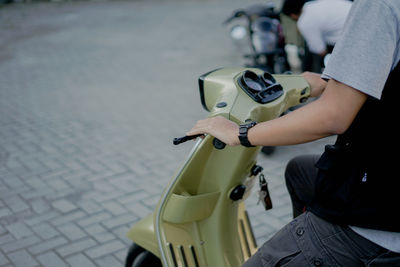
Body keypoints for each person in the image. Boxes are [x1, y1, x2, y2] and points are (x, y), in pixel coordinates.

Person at [187, 0, 400, 265]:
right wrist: (333, 80)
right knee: (299, 170)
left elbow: (333, 116)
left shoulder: (380, 4)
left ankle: (316, 247)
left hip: (378, 220)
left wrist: (240, 134)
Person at [281, 0, 352, 72]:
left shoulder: (304, 21)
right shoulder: (310, 5)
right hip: (356, 16)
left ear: (292, 15)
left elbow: (320, 51)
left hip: (350, 36)